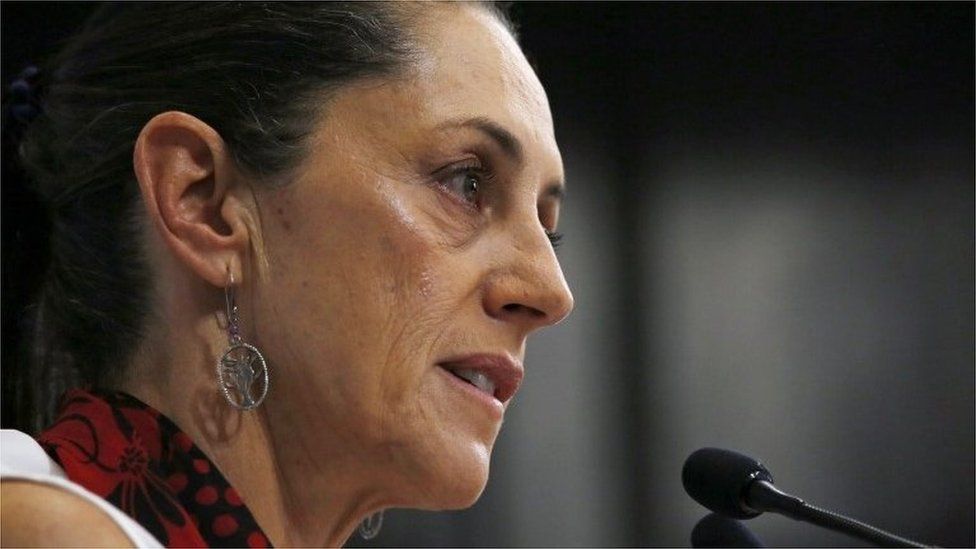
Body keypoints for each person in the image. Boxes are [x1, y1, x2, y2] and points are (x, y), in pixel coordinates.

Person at [0, 2, 574, 547]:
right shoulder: (40, 527)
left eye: (548, 230)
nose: (552, 292)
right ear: (204, 202)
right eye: (465, 182)